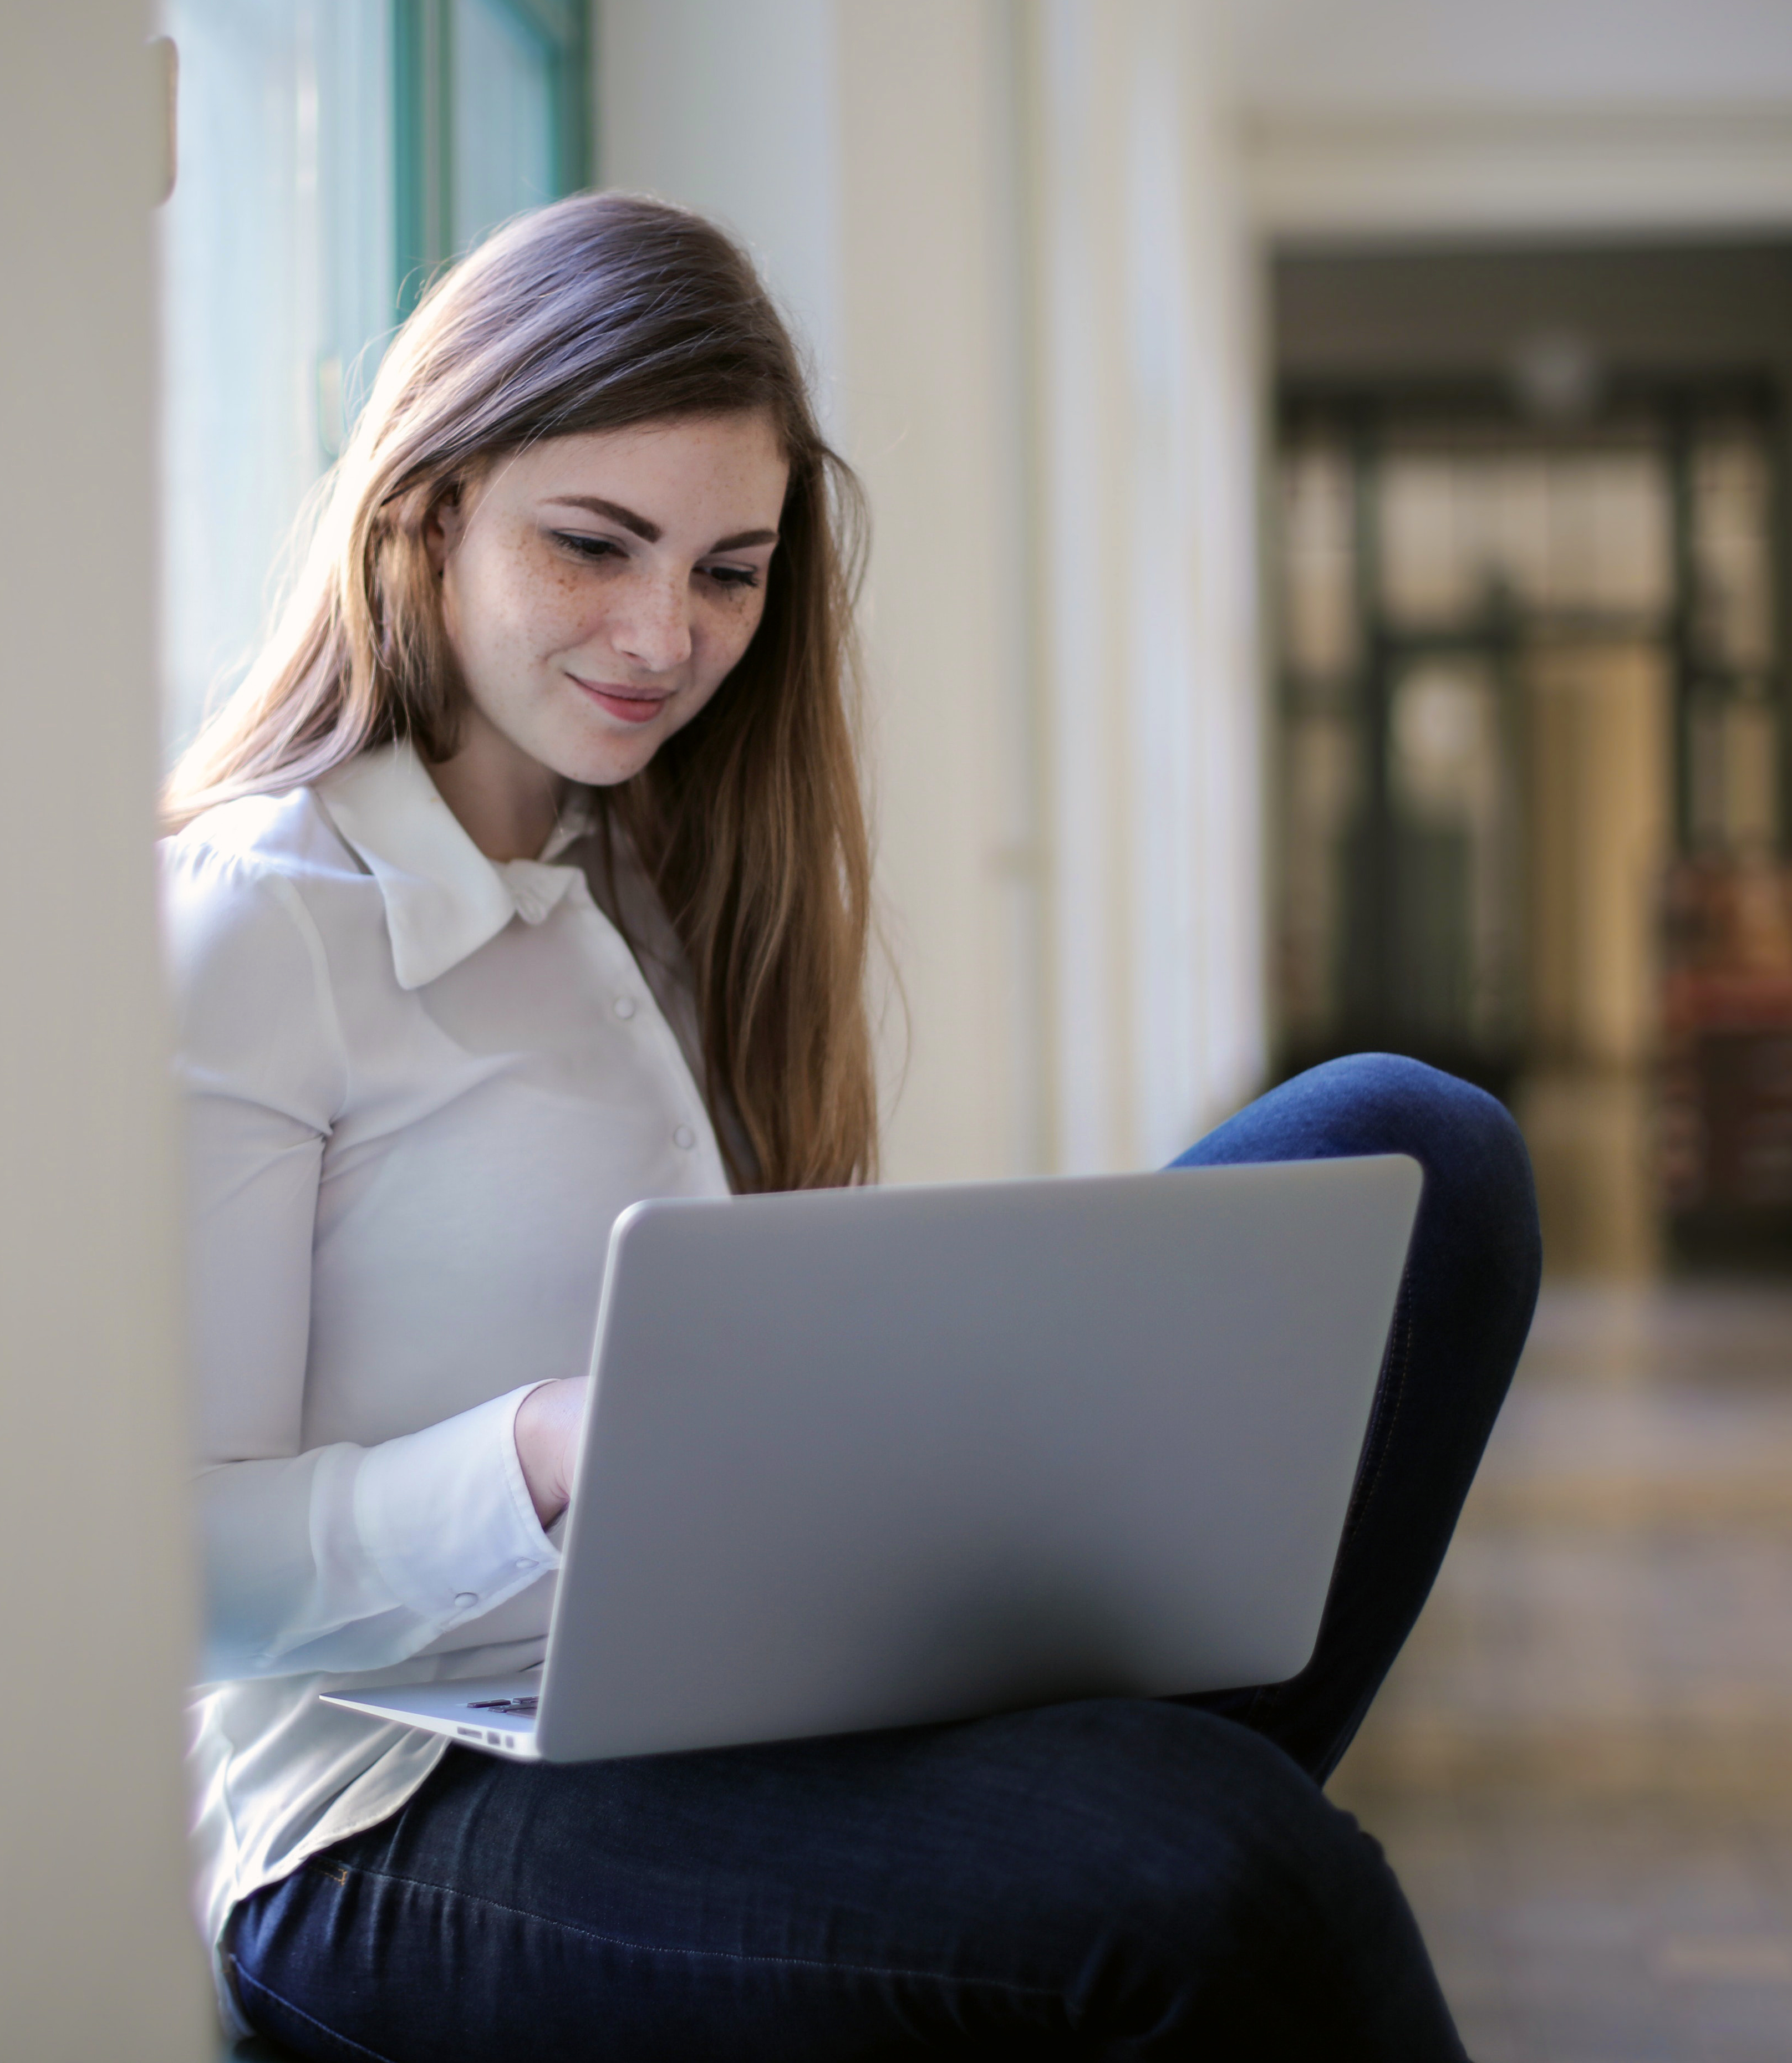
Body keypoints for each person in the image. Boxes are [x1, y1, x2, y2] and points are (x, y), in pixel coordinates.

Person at [161, 192, 1540, 2061]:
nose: (668, 634)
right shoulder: (263, 919)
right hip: (380, 1820)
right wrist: (548, 1452)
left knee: (1419, 1147)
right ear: (427, 516)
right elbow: (182, 1570)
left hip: (709, 1673)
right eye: (595, 546)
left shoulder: (639, 871)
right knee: (1225, 1871)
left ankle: (1115, 1861)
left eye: (731, 570)